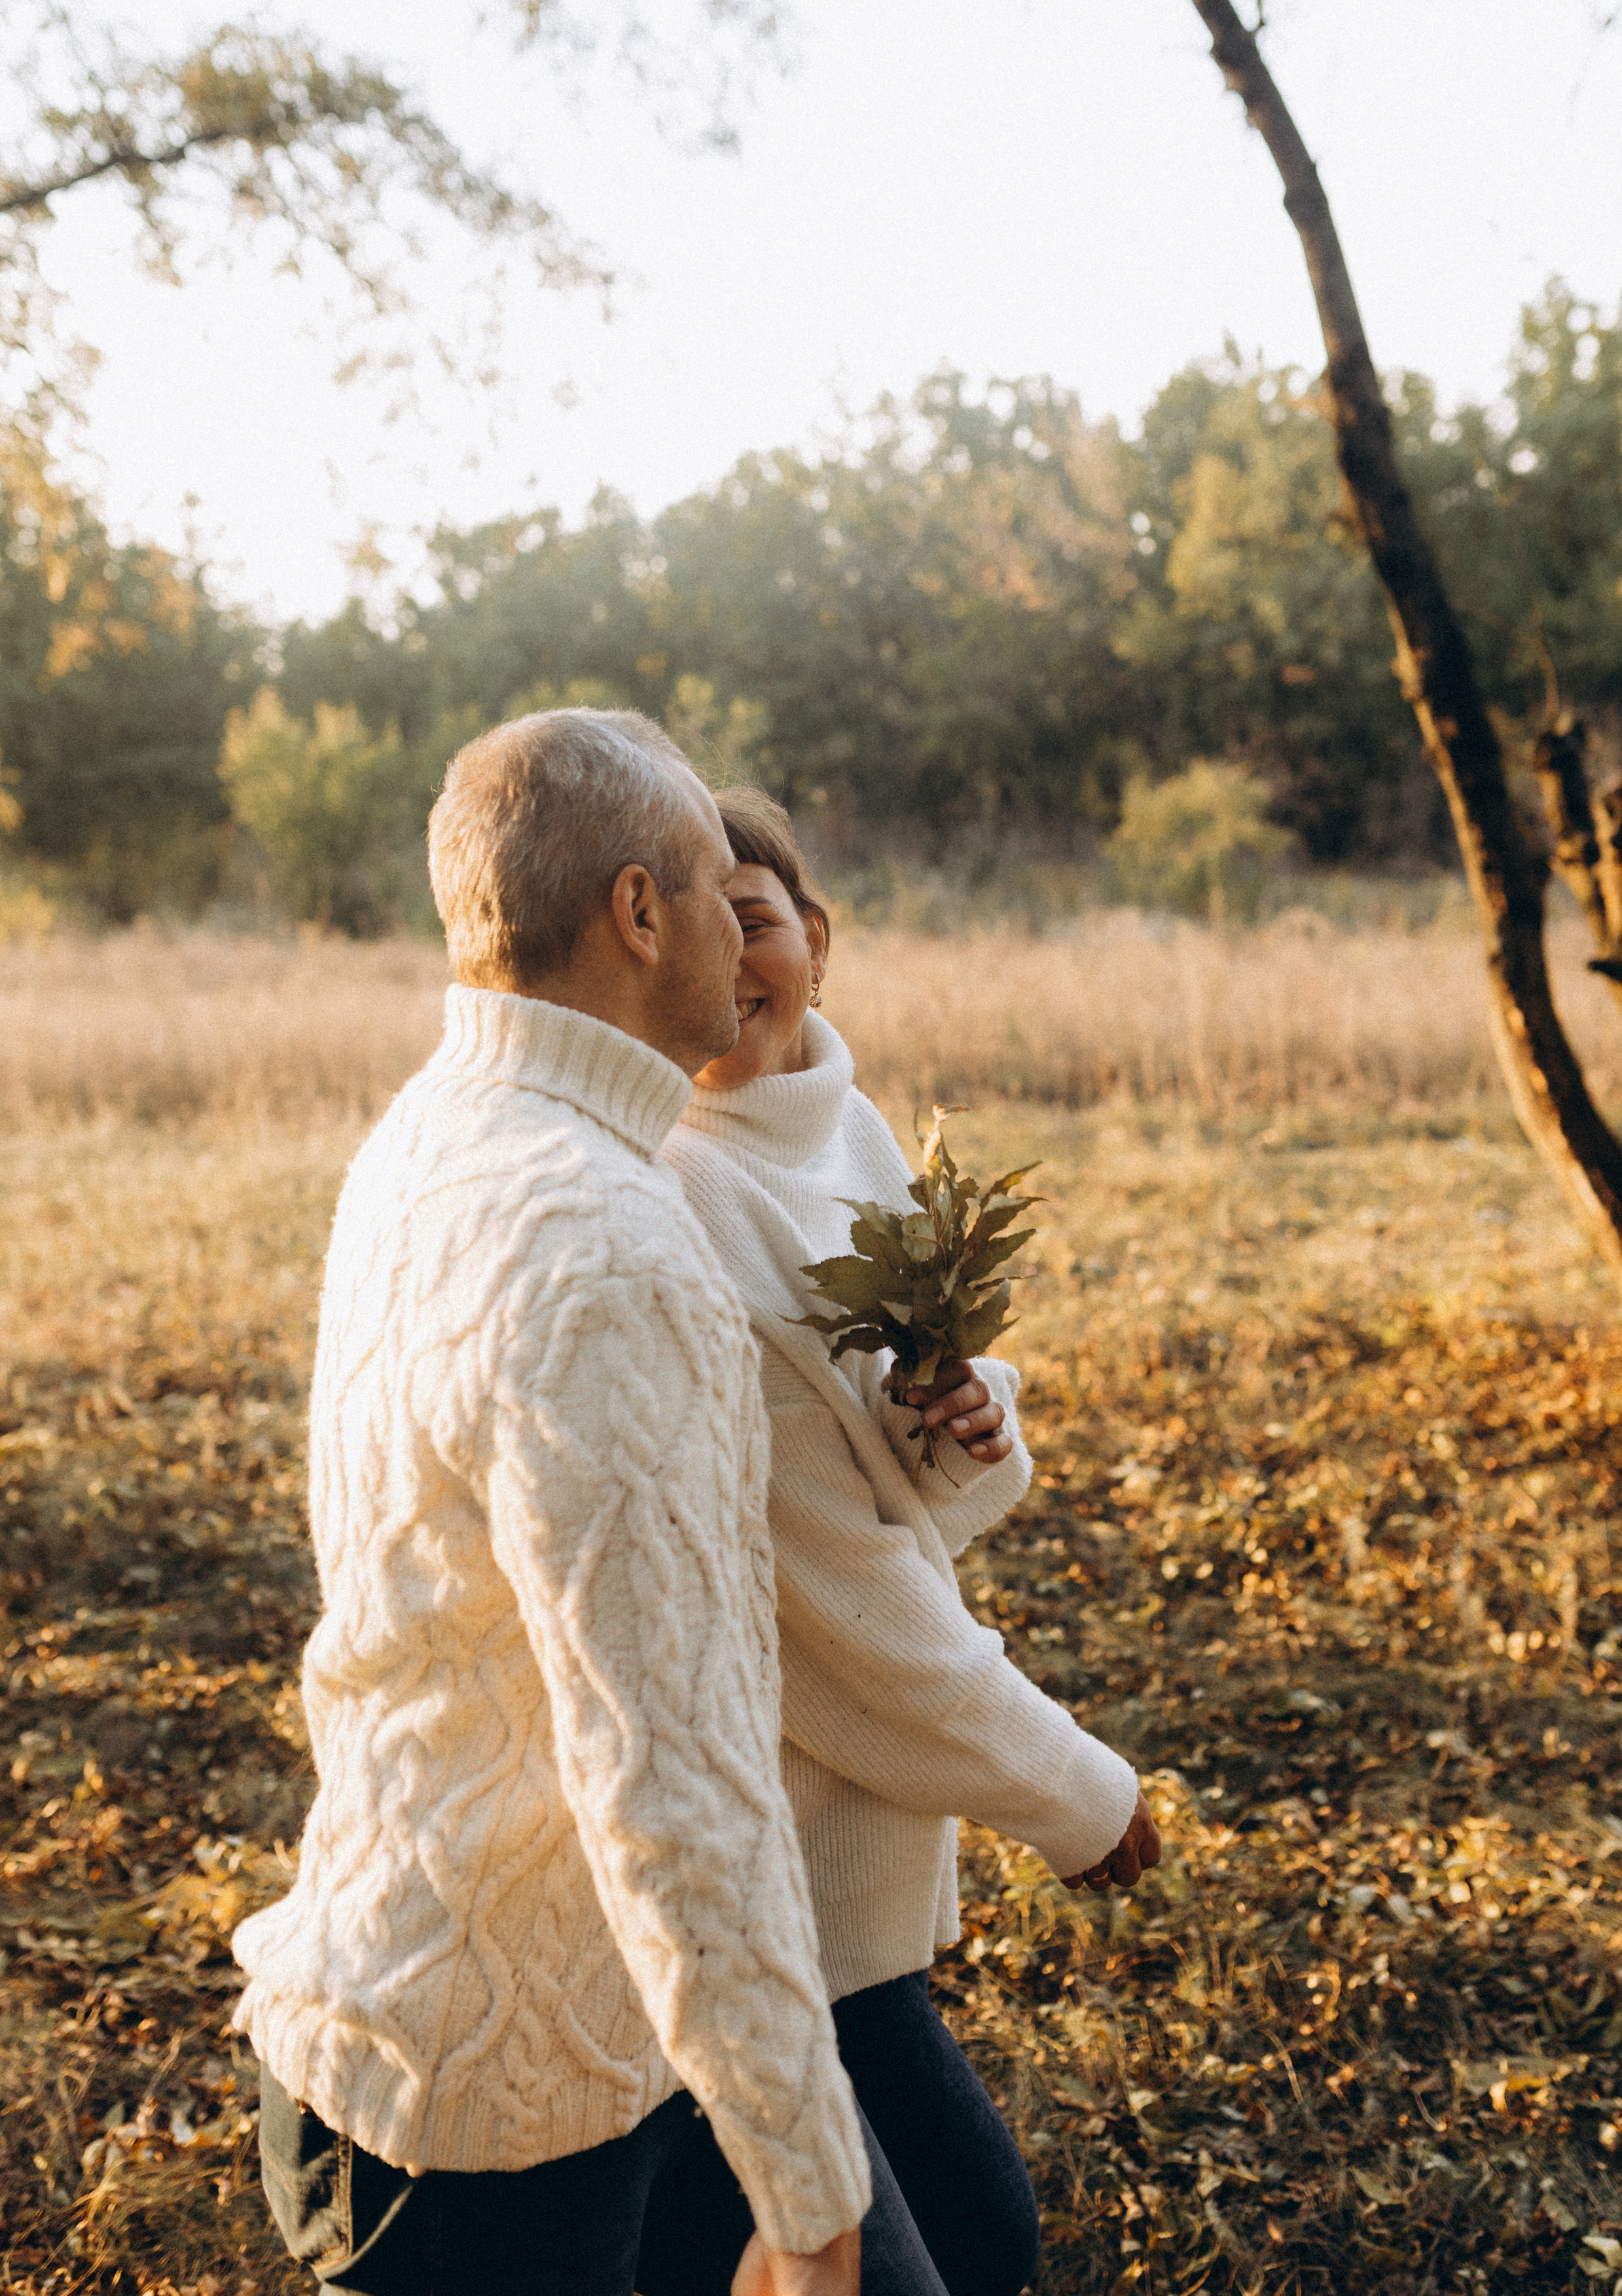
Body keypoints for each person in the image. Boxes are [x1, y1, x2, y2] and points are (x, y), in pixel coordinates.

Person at [231, 712, 876, 2296]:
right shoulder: (603, 1243)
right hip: (487, 2117)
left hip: (520, 2023)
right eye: (716, 889)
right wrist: (806, 2200)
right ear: (638, 912)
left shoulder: (435, 1131)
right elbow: (670, 1768)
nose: (745, 932)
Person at [651, 787, 1162, 2296]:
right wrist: (1071, 1791)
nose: (724, 958)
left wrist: (965, 1414)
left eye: (752, 918)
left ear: (814, 939)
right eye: (686, 925)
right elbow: (836, 1595)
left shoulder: (850, 1131)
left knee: (979, 2234)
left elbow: (888, 1477)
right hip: (751, 1862)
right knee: (925, 2248)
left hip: (842, 1865)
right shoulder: (682, 1195)